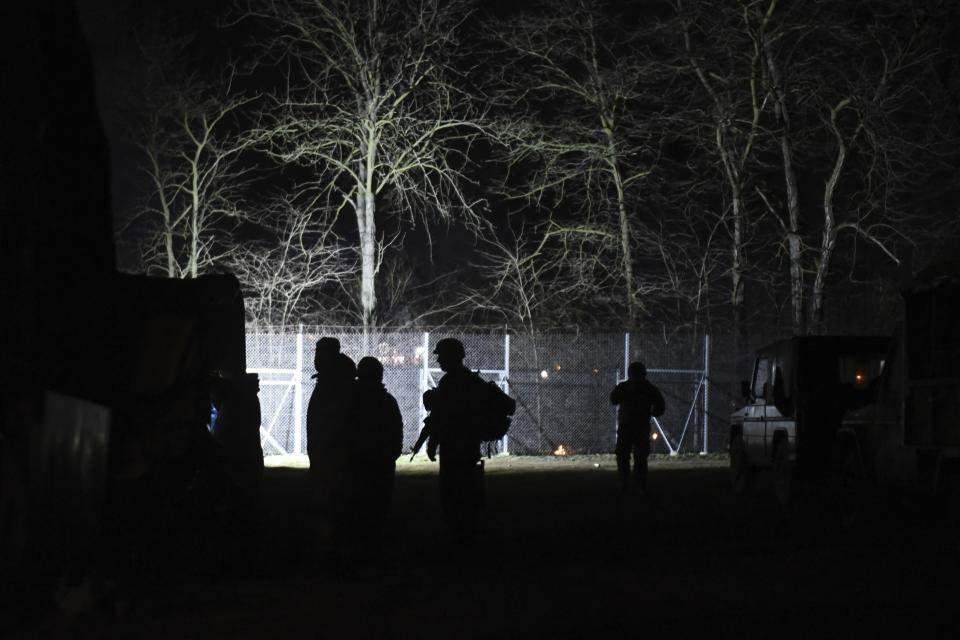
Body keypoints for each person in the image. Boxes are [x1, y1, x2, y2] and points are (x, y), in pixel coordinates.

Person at [421, 338, 486, 530]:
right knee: (467, 490)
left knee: (452, 491)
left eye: (441, 356)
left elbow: (441, 416)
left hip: (454, 445)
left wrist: (433, 444)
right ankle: (467, 528)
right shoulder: (470, 380)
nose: (439, 360)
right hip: (470, 444)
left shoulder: (450, 382)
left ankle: (457, 531)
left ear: (451, 357)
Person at [349, 356, 404, 534]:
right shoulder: (387, 401)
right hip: (382, 461)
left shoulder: (352, 400)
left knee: (358, 505)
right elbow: (396, 431)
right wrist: (391, 454)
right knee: (379, 504)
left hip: (358, 460)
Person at [610, 361, 665, 494]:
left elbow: (660, 405)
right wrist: (653, 412)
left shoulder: (637, 387)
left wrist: (653, 412)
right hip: (631, 425)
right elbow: (613, 399)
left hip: (635, 425)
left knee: (637, 455)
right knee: (626, 455)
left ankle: (635, 483)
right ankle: (628, 482)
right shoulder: (642, 388)